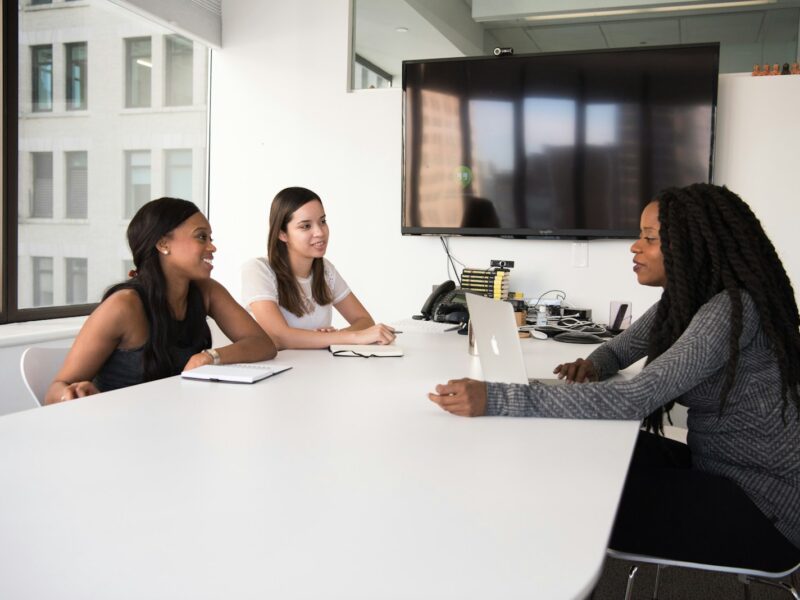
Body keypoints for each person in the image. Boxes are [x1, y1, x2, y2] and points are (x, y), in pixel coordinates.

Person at [429, 183, 800, 570]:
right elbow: (620, 348)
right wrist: (594, 365)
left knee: (575, 495)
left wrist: (498, 397)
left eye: (649, 238)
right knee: (586, 450)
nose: (634, 247)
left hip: (764, 509)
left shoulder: (729, 311)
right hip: (718, 469)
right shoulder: (686, 304)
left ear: (694, 246)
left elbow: (635, 398)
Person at [45, 198, 277, 405]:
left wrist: (209, 357)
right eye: (201, 236)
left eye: (210, 238)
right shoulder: (123, 306)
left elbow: (262, 344)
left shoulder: (207, 291)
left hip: (176, 422)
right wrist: (71, 394)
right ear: (163, 244)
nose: (212, 246)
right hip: (122, 431)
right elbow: (54, 392)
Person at [242, 186, 395, 349]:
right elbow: (279, 336)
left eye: (322, 221)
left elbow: (364, 321)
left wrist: (332, 338)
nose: (320, 232)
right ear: (282, 234)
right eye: (306, 226)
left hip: (319, 368)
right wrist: (346, 337)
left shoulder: (325, 270)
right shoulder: (258, 270)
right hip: (280, 371)